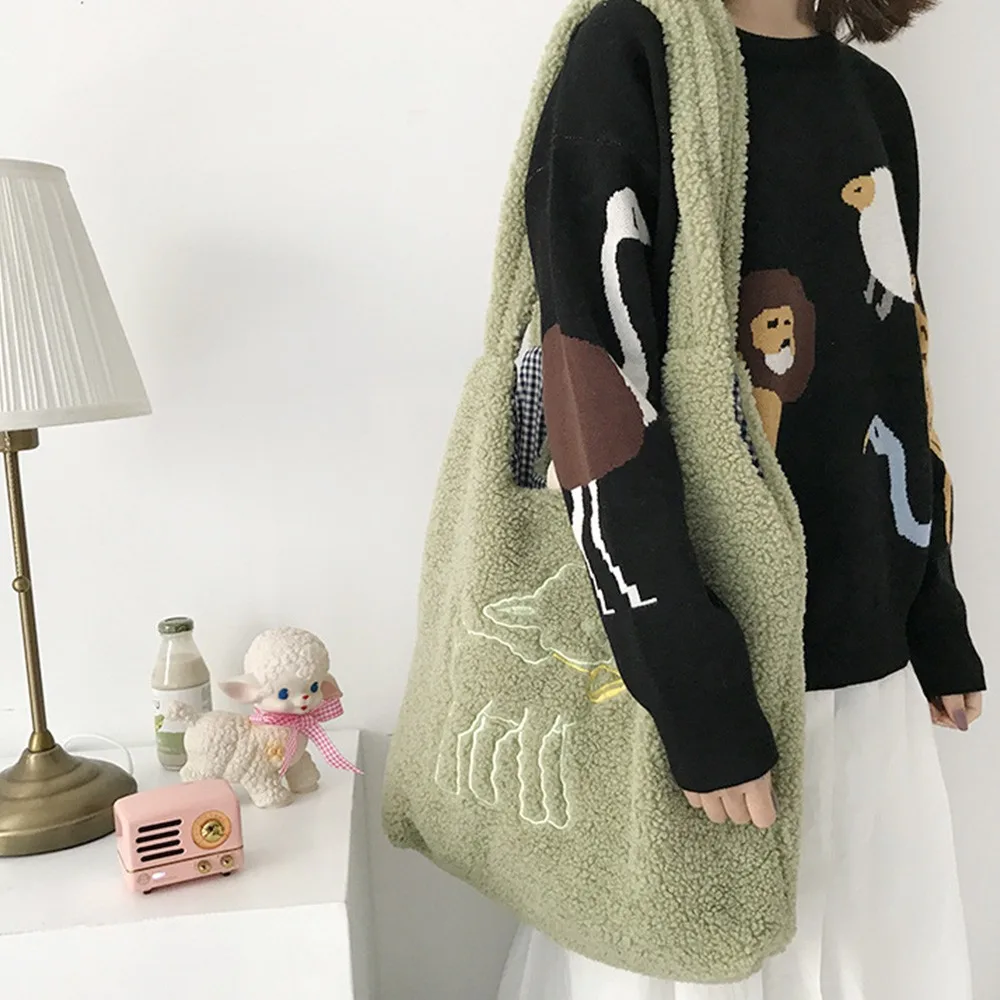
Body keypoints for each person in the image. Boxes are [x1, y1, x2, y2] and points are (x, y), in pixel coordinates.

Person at [498, 0, 987, 996]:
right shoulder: (628, 52)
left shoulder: (872, 98)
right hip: (697, 670)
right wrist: (695, 694)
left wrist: (934, 611)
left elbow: (897, 367)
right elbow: (594, 383)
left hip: (864, 670)